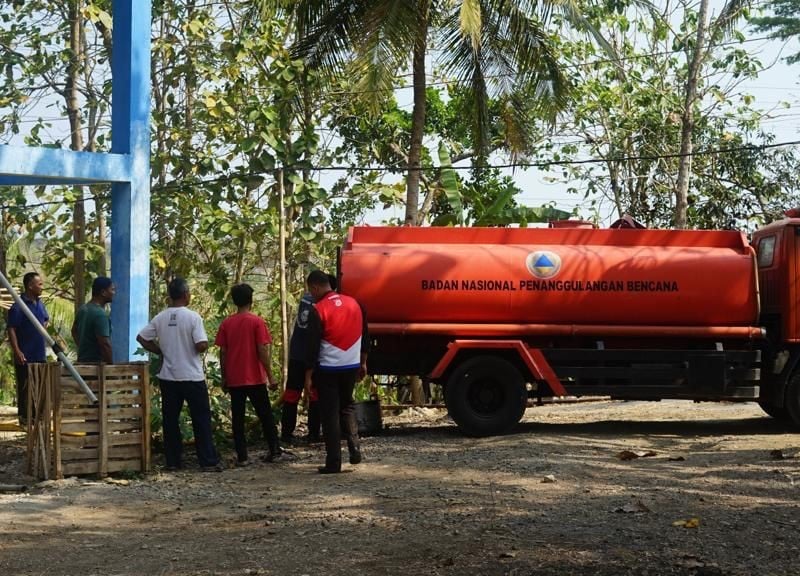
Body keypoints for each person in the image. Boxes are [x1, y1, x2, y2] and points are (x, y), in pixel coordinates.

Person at [136, 277, 221, 472]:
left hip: (169, 376)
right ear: (185, 295)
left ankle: (173, 461)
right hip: (191, 376)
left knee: (170, 420)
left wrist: (159, 350)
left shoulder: (160, 317)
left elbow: (141, 337)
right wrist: (204, 344)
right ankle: (207, 460)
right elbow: (201, 344)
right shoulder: (193, 318)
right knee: (200, 418)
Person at [304, 270, 369, 474]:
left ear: (315, 287)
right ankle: (354, 447)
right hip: (351, 364)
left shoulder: (318, 309)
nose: (311, 294)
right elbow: (365, 335)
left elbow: (312, 347)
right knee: (347, 405)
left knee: (330, 413)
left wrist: (308, 376)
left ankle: (334, 462)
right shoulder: (355, 304)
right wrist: (363, 362)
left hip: (328, 368)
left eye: (310, 290)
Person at [215, 283, 282, 466]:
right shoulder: (256, 322)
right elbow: (262, 350)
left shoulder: (227, 323)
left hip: (235, 378)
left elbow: (223, 352)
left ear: (234, 301)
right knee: (265, 414)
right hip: (254, 377)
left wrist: (224, 376)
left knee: (238, 418)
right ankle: (274, 449)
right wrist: (270, 376)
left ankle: (242, 456)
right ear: (251, 300)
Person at [280, 288, 322, 445]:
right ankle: (313, 434)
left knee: (293, 394)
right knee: (313, 394)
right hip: (311, 355)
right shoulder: (319, 303)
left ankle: (287, 434)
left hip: (297, 354)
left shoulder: (306, 298)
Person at [7, 272, 50, 425]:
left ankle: (37, 417)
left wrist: (41, 331)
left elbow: (45, 320)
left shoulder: (40, 303)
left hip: (39, 353)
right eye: (39, 284)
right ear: (30, 286)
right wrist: (17, 350)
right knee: (25, 387)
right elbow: (11, 329)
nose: (42, 287)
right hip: (25, 354)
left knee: (39, 387)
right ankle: (25, 419)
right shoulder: (19, 305)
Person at [72, 276, 114, 363]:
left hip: (82, 363)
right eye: (112, 289)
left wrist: (84, 348)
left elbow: (74, 331)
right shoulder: (100, 315)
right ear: (103, 292)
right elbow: (104, 343)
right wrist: (111, 366)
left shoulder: (83, 309)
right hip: (96, 367)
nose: (114, 293)